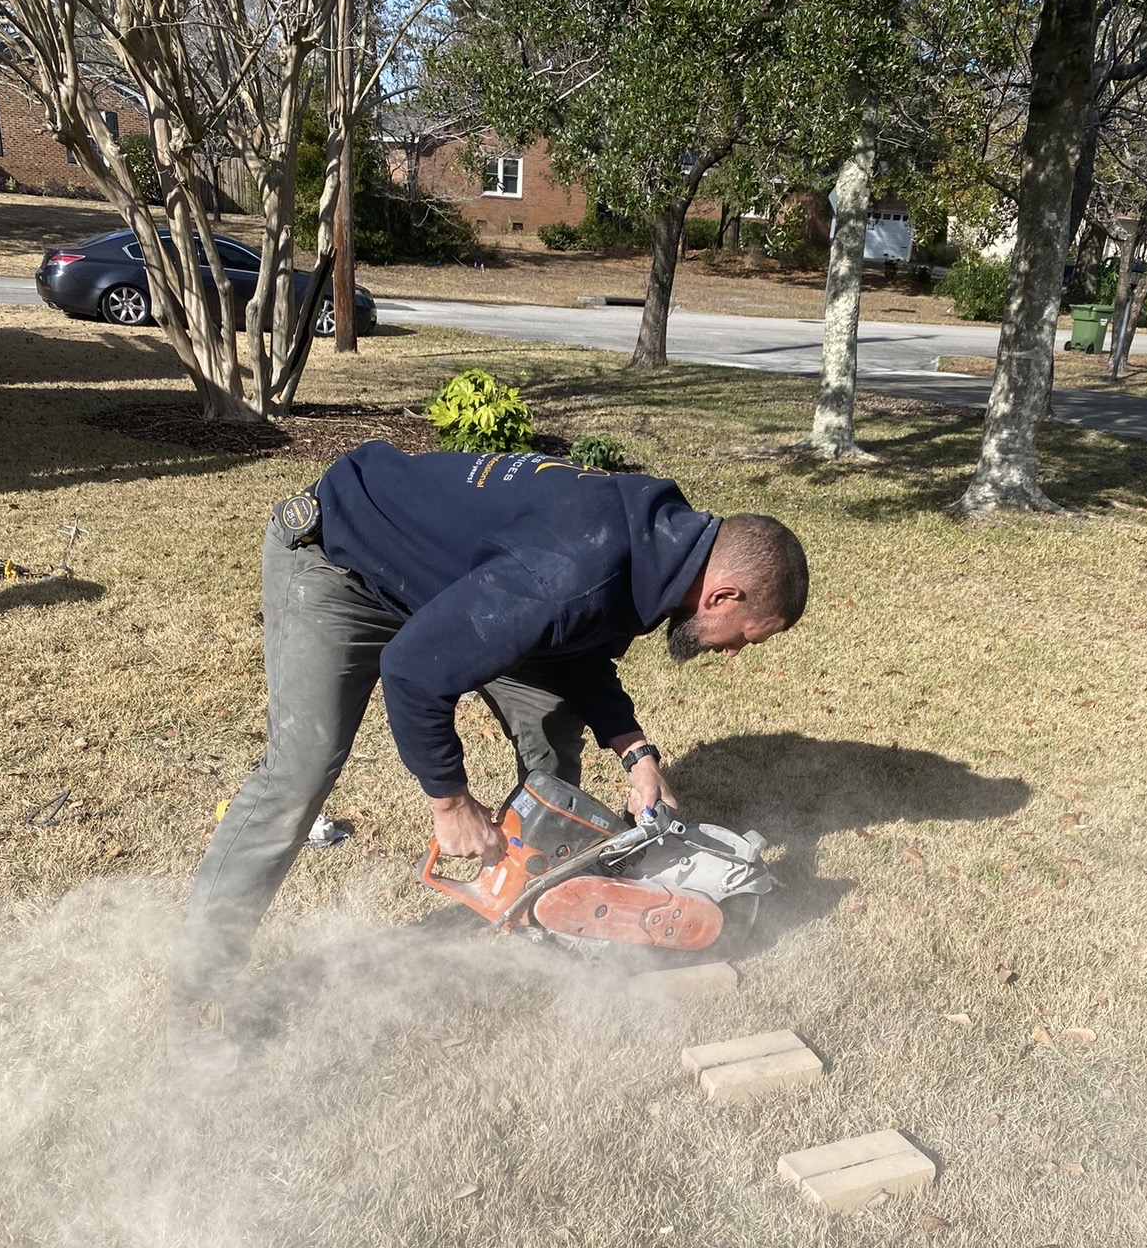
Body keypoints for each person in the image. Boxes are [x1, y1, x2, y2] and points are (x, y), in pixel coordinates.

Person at [166, 442, 808, 1077]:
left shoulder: (656, 549)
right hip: (340, 564)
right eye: (750, 638)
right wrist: (449, 800)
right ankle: (199, 990)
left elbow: (573, 647)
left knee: (549, 739)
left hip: (462, 587)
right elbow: (414, 670)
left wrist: (635, 753)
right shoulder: (576, 569)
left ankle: (544, 917)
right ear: (723, 596)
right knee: (298, 776)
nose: (734, 654)